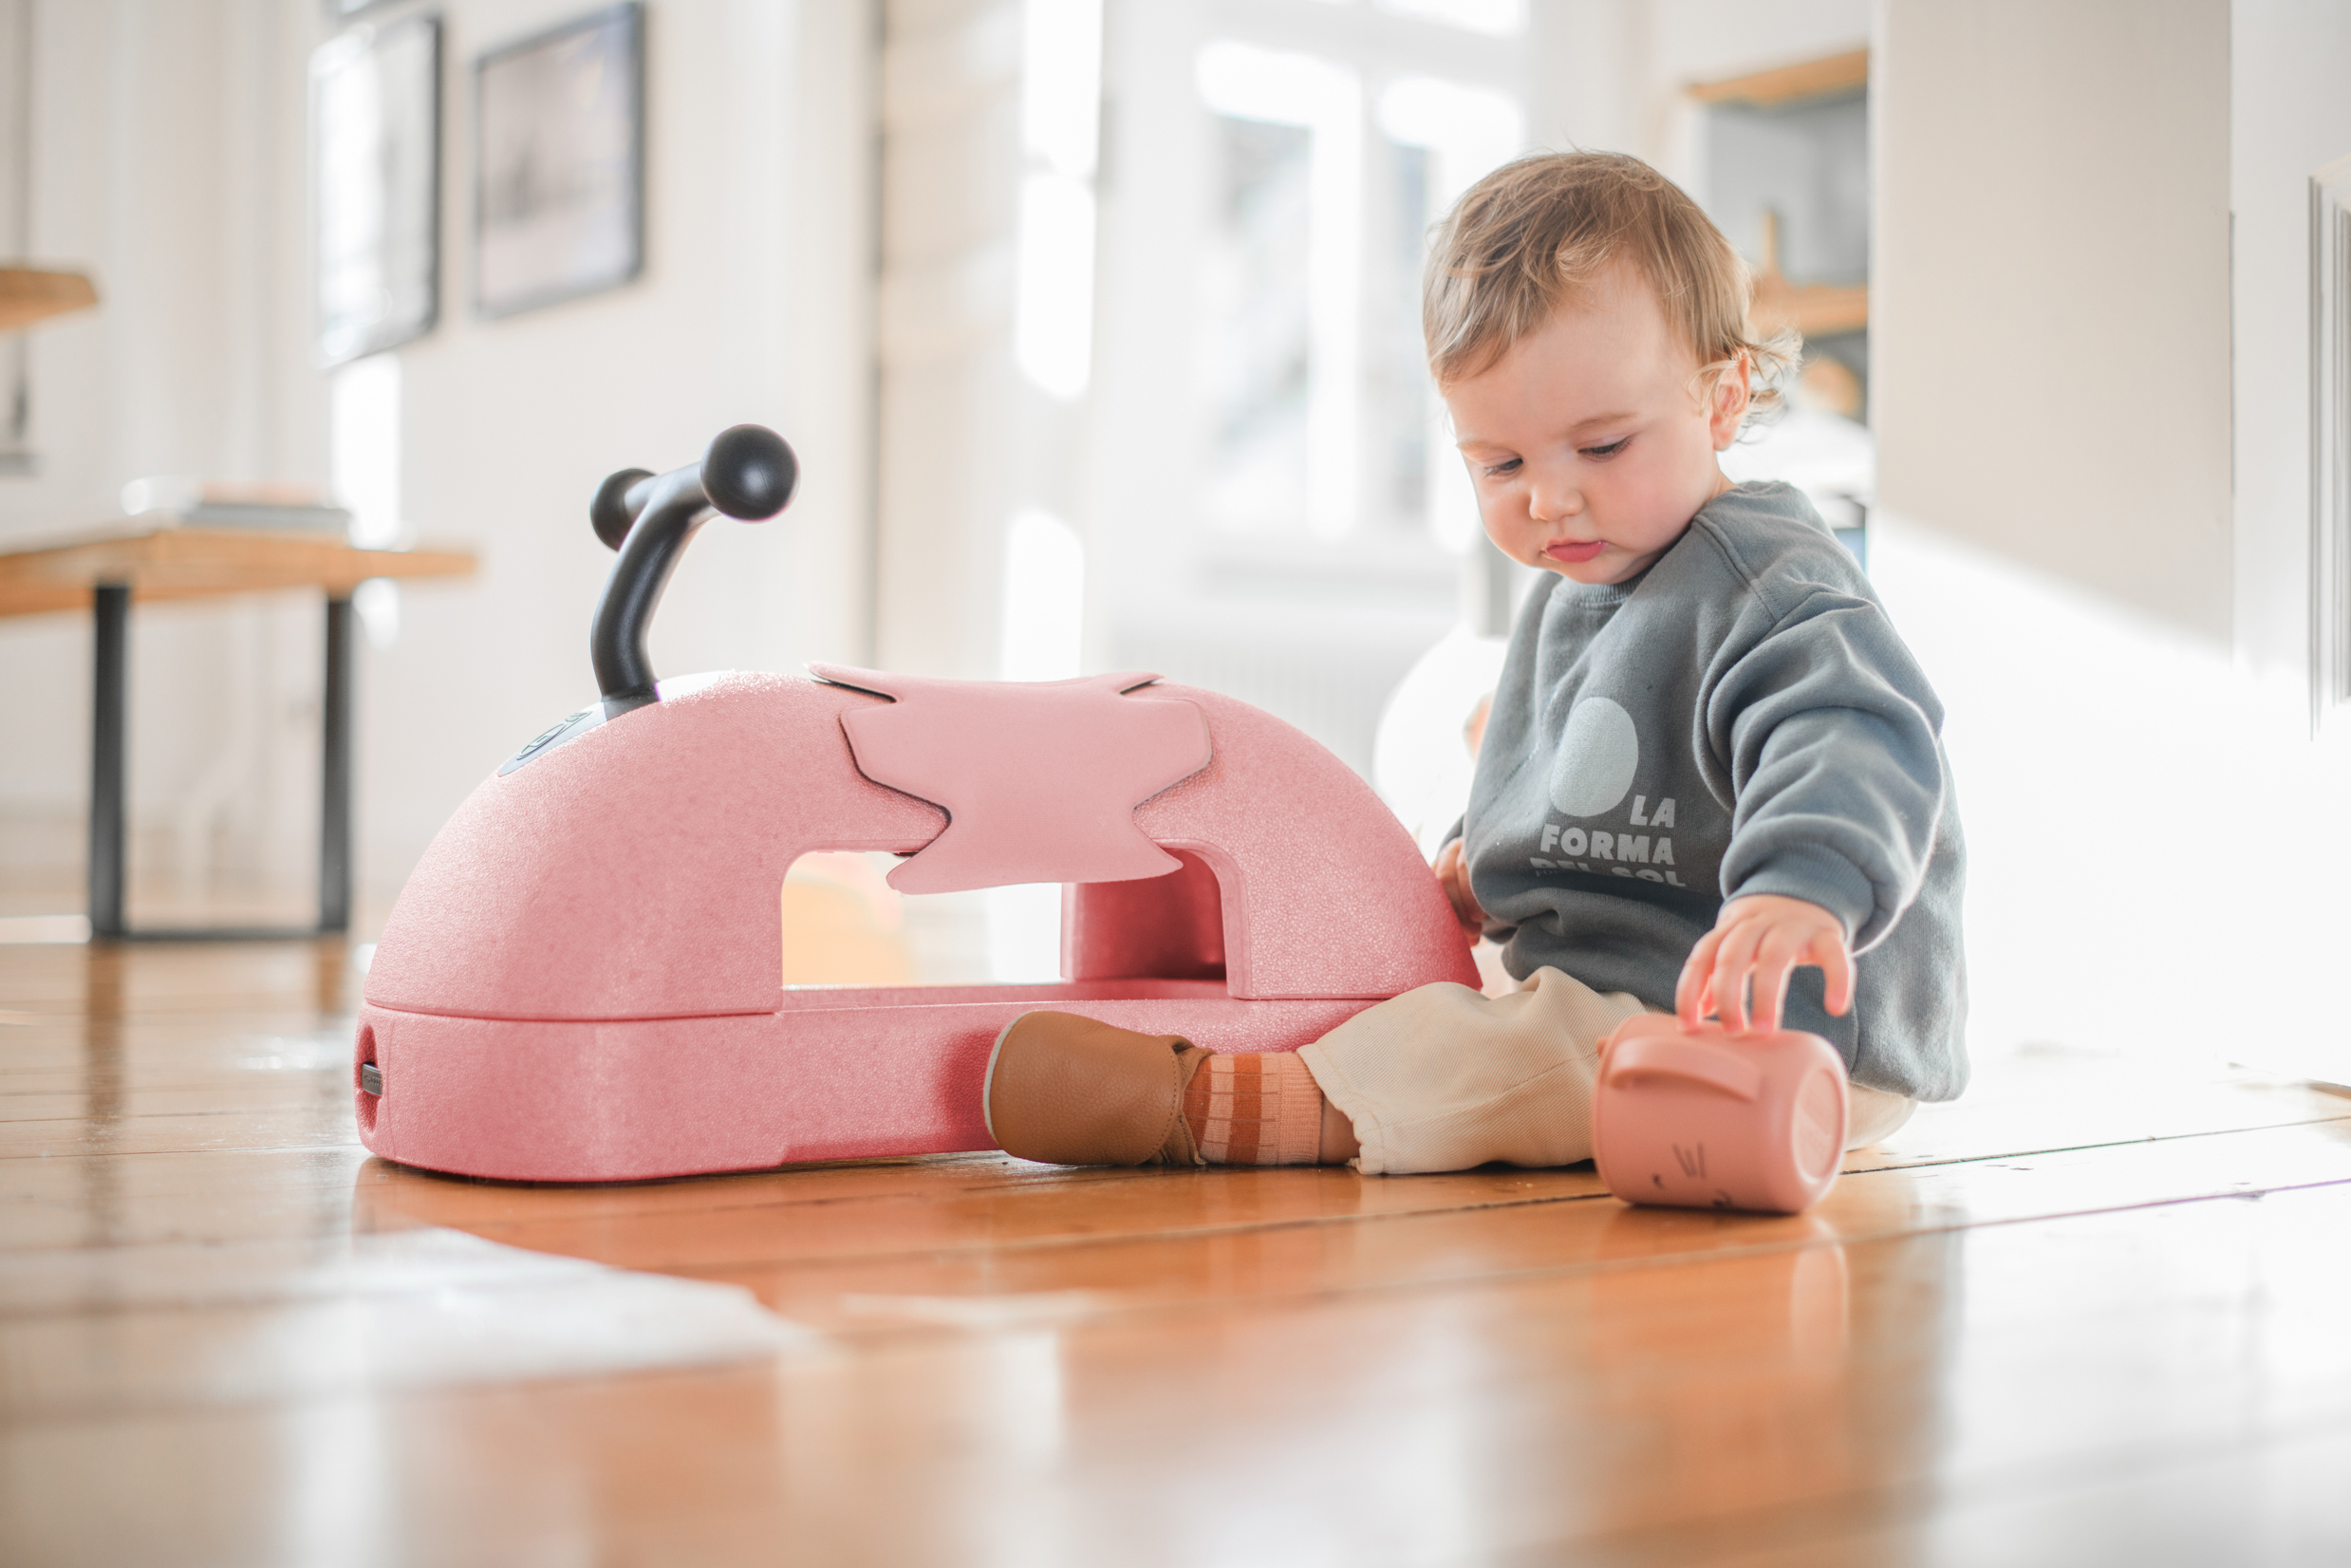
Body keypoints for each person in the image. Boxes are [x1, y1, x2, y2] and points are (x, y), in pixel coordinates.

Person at [980, 151, 1966, 1175]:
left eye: (1601, 447)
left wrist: (1798, 890)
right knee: (1469, 1013)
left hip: (1782, 1026)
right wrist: (1478, 860)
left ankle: (1223, 1109)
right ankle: (1279, 1058)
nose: (1546, 499)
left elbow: (1852, 737)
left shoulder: (1768, 588)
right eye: (1500, 463)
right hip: (1617, 992)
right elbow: (1557, 777)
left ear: (1720, 401)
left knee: (1525, 1054)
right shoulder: (1576, 586)